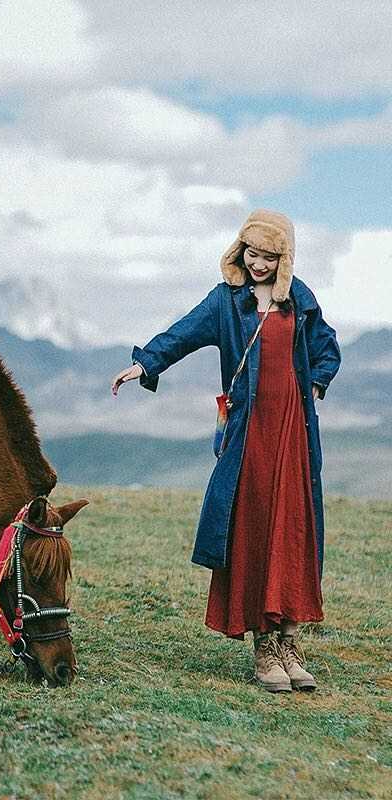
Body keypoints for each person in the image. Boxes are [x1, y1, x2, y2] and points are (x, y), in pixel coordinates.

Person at [111, 210, 341, 693]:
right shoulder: (226, 301)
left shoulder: (299, 299)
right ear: (240, 250)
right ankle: (264, 647)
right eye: (252, 253)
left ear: (285, 258)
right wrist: (144, 364)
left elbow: (327, 348)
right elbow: (183, 333)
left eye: (269, 256)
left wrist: (315, 386)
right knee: (255, 529)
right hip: (250, 434)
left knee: (292, 531)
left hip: (293, 432)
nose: (258, 264)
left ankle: (290, 643)